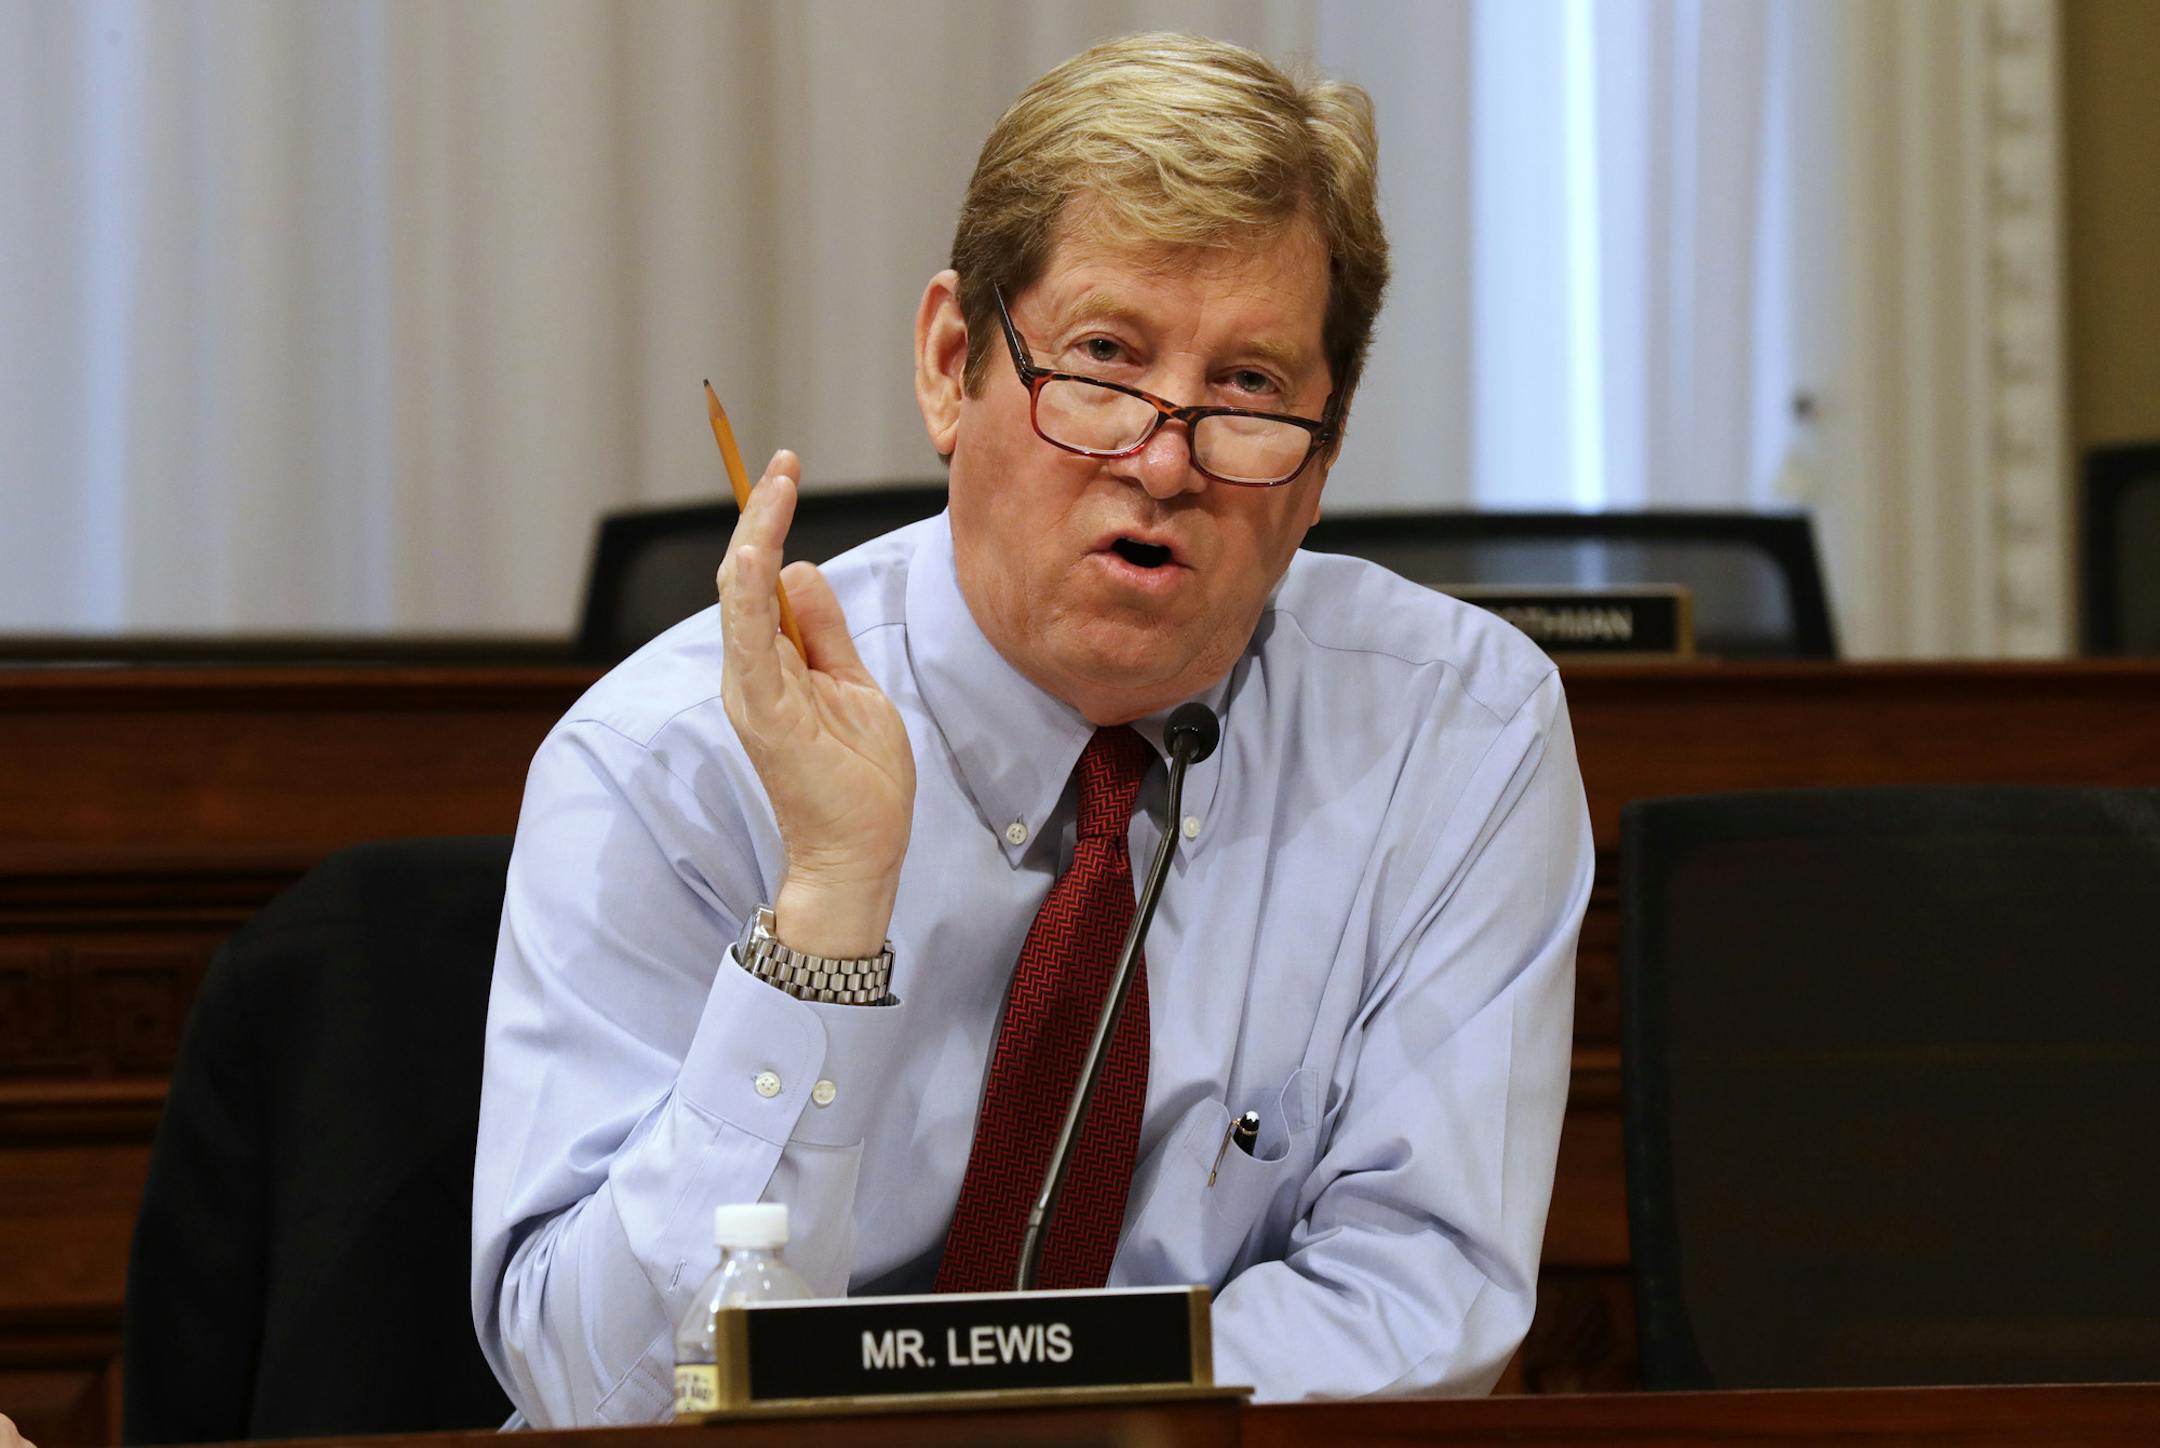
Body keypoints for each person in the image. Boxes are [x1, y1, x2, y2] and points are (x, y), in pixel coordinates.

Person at [473, 32, 1592, 1426]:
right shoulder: (661, 760)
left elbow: (1422, 1296)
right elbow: (597, 1389)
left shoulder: (1454, 734)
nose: (1166, 460)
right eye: (1105, 362)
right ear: (954, 365)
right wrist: (824, 911)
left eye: (1247, 389)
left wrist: (1056, 1420)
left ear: (1323, 459)